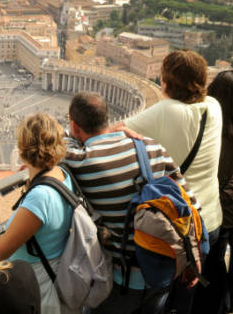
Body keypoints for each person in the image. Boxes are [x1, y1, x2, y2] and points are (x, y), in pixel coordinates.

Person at [63, 92, 198, 314]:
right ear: (106, 120)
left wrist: (72, 130)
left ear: (75, 126)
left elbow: (54, 140)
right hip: (163, 269)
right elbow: (190, 204)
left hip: (122, 280)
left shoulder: (81, 160)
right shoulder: (151, 146)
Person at [116, 50, 223, 313]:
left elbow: (114, 130)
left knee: (160, 298)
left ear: (166, 82)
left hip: (175, 226)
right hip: (208, 222)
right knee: (185, 298)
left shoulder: (166, 111)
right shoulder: (214, 107)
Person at [0, 112, 76, 314]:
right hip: (54, 272)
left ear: (22, 151)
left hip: (40, 289)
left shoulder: (40, 197)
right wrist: (32, 178)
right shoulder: (62, 174)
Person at [192, 70, 233, 314]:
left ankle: (214, 303)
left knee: (212, 263)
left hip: (218, 209)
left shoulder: (210, 128)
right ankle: (226, 303)